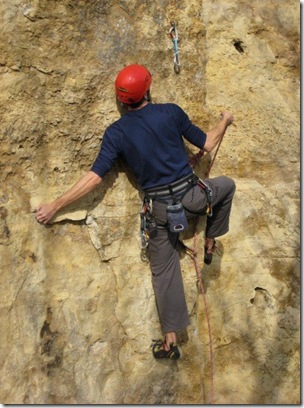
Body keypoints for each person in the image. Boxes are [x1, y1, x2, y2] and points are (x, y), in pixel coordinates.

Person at [35, 64, 235, 360]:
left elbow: (95, 177)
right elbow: (207, 142)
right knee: (227, 186)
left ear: (121, 100)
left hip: (161, 212)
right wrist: (225, 121)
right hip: (194, 198)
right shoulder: (170, 112)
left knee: (164, 271)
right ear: (148, 89)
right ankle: (210, 241)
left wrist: (56, 205)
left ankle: (170, 341)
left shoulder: (116, 133)